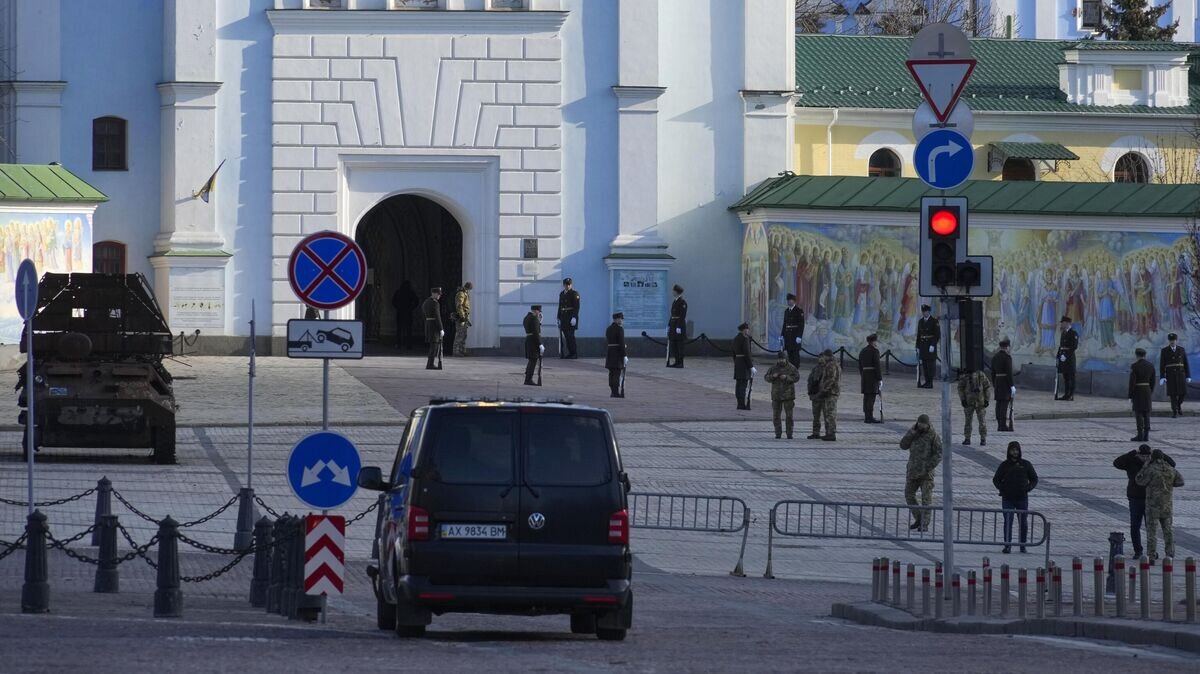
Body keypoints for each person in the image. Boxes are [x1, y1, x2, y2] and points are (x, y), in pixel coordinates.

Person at [1114, 444, 1176, 559]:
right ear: (1138, 454)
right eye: (1143, 456)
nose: (1145, 458)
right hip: (1135, 498)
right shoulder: (1131, 461)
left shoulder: (1154, 462)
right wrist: (1132, 452)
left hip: (1151, 499)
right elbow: (1116, 463)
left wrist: (1157, 453)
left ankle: (1151, 552)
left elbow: (1172, 464)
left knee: (1150, 527)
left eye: (1147, 456)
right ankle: (1138, 551)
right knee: (1135, 526)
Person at [1135, 449, 1185, 563]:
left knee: (1152, 532)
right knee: (1168, 531)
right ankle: (1170, 554)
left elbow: (1139, 481)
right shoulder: (1170, 469)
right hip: (1167, 506)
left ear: (1152, 458)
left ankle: (1151, 556)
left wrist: (1144, 466)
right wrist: (1169, 486)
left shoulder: (1151, 469)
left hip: (1153, 506)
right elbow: (1181, 482)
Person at [992, 441, 1038, 554]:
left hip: (1022, 498)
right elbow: (996, 479)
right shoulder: (1004, 465)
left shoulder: (1026, 464)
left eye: (1016, 450)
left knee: (1023, 522)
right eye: (1012, 450)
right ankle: (1007, 545)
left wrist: (1029, 487)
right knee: (1008, 521)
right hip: (1008, 498)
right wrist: (1002, 489)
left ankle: (1023, 545)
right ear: (1009, 451)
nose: (1015, 452)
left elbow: (1034, 478)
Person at [900, 414, 943, 531]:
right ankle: (919, 517)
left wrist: (928, 466)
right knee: (908, 495)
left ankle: (924, 524)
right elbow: (903, 445)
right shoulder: (913, 432)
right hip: (913, 471)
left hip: (926, 474)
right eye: (920, 424)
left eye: (923, 425)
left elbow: (939, 453)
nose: (921, 426)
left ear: (927, 424)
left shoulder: (933, 435)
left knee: (926, 499)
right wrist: (911, 434)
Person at [764, 350, 800, 439]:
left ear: (786, 359)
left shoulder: (791, 368)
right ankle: (778, 432)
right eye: (779, 359)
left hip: (788, 395)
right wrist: (773, 376)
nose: (781, 361)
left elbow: (797, 377)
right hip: (776, 395)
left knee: (789, 416)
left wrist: (787, 378)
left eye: (782, 359)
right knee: (776, 415)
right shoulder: (773, 368)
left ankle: (789, 433)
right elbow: (766, 377)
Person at [807, 348, 840, 441]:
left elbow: (830, 379)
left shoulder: (831, 365)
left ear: (826, 356)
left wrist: (824, 390)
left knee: (829, 414)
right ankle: (826, 433)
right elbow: (811, 380)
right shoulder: (821, 367)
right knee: (824, 414)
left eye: (823, 357)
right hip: (825, 393)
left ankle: (830, 433)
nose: (822, 359)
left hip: (829, 393)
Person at [1159, 333, 1191, 418]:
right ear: (1169, 341)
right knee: (1173, 394)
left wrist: (1188, 376)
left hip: (1181, 374)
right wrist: (1162, 377)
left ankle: (1178, 405)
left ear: (1176, 341)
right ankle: (1174, 411)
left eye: (1174, 340)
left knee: (1182, 393)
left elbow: (1186, 363)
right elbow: (1162, 365)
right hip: (1170, 375)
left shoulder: (1181, 350)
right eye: (1171, 341)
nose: (1172, 342)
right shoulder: (1164, 350)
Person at [957, 369, 992, 446]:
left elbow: (987, 387)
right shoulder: (965, 376)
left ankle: (983, 438)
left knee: (982, 421)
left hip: (980, 402)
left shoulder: (981, 375)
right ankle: (967, 438)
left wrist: (987, 399)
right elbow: (960, 388)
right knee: (968, 421)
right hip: (968, 402)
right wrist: (963, 399)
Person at [1128, 347, 1156, 442]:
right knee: (1146, 413)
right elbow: (1153, 380)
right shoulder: (1151, 365)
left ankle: (1140, 434)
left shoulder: (1134, 366)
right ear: (1145, 355)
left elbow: (1132, 382)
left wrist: (1130, 395)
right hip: (1147, 390)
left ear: (1137, 355)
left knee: (1139, 413)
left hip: (1138, 390)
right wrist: (1150, 390)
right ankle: (1146, 435)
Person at [991, 338, 1015, 432]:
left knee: (999, 403)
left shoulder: (995, 357)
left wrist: (994, 383)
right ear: (1007, 347)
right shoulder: (1007, 357)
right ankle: (1003, 425)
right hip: (1005, 382)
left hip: (997, 381)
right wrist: (1012, 385)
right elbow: (1009, 372)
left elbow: (992, 372)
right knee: (1004, 403)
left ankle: (999, 424)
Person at [857, 334, 882, 423]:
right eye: (875, 341)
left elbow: (860, 365)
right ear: (873, 342)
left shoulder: (863, 351)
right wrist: (879, 378)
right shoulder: (875, 351)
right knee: (871, 397)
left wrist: (863, 374)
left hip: (865, 375)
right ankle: (869, 417)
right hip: (872, 377)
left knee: (866, 397)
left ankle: (866, 415)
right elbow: (877, 366)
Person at [733, 322, 756, 410]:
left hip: (738, 363)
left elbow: (733, 353)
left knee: (738, 384)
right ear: (744, 330)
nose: (748, 331)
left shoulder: (735, 338)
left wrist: (736, 362)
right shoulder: (745, 339)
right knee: (743, 384)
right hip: (744, 364)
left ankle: (739, 403)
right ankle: (742, 404)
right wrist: (751, 366)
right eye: (747, 329)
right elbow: (747, 354)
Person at [1056, 315, 1078, 400]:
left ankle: (1071, 395)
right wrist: (1058, 356)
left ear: (1067, 323)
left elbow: (1074, 346)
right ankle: (1066, 394)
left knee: (1071, 377)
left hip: (1070, 358)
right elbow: (1061, 346)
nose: (1062, 325)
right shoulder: (1063, 333)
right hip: (1063, 358)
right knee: (1066, 377)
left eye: (1063, 323)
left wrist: (1065, 350)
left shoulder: (1073, 333)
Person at [392, 280, 420, 349]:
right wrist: (412, 307)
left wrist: (397, 307)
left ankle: (398, 344)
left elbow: (393, 301)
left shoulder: (398, 291)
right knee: (408, 329)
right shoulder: (410, 292)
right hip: (408, 312)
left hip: (400, 311)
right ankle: (408, 344)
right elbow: (416, 300)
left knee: (399, 329)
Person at [916, 304, 939, 388]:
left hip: (930, 346)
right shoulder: (920, 321)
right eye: (923, 311)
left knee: (930, 365)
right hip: (923, 346)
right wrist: (917, 346)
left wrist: (933, 345)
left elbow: (936, 335)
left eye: (925, 311)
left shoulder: (934, 321)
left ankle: (930, 382)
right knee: (925, 365)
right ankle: (926, 381)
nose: (924, 313)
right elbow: (919, 335)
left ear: (929, 312)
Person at [605, 312, 627, 398]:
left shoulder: (609, 328)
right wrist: (624, 355)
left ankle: (612, 391)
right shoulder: (619, 329)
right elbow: (621, 343)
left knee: (611, 373)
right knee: (617, 373)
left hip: (610, 352)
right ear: (617, 319)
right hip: (617, 353)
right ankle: (615, 392)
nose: (621, 320)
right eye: (621, 319)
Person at [557, 278, 580, 359]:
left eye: (569, 284)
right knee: (566, 337)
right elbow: (560, 306)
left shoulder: (574, 293)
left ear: (571, 284)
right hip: (563, 318)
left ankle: (574, 353)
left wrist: (574, 317)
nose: (567, 286)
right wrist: (558, 317)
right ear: (564, 285)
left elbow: (576, 307)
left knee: (571, 336)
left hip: (570, 318)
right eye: (566, 284)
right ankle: (570, 353)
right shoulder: (562, 294)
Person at [781, 293, 805, 368]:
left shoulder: (799, 311)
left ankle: (796, 368)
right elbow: (784, 324)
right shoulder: (786, 311)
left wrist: (799, 336)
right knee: (789, 352)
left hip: (795, 335)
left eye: (791, 300)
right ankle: (790, 367)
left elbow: (801, 325)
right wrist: (782, 335)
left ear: (794, 301)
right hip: (788, 335)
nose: (789, 302)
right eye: (788, 300)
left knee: (795, 353)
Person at [421, 287, 443, 370]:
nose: (439, 296)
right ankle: (430, 364)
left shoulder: (426, 302)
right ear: (433, 293)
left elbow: (423, 313)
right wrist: (441, 328)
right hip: (434, 326)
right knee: (434, 346)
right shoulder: (435, 303)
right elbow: (438, 317)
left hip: (428, 324)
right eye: (438, 294)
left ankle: (430, 363)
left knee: (433, 346)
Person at [667, 285, 688, 368]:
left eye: (673, 291)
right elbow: (672, 315)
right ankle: (676, 361)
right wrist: (669, 325)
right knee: (674, 344)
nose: (672, 292)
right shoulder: (675, 301)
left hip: (679, 325)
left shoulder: (682, 302)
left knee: (680, 345)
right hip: (673, 325)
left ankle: (681, 362)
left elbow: (682, 315)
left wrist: (679, 327)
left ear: (676, 292)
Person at [523, 304, 543, 386]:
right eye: (538, 312)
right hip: (533, 342)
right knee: (533, 360)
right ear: (536, 311)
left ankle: (527, 378)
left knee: (531, 360)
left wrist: (539, 322)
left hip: (529, 340)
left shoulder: (526, 317)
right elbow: (536, 333)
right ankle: (528, 379)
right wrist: (540, 344)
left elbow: (532, 328)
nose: (539, 314)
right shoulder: (534, 318)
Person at [452, 282, 473, 357]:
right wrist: (462, 316)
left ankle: (462, 350)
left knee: (464, 335)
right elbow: (459, 306)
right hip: (461, 317)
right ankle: (456, 351)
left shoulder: (465, 293)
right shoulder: (461, 294)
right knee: (459, 334)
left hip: (465, 316)